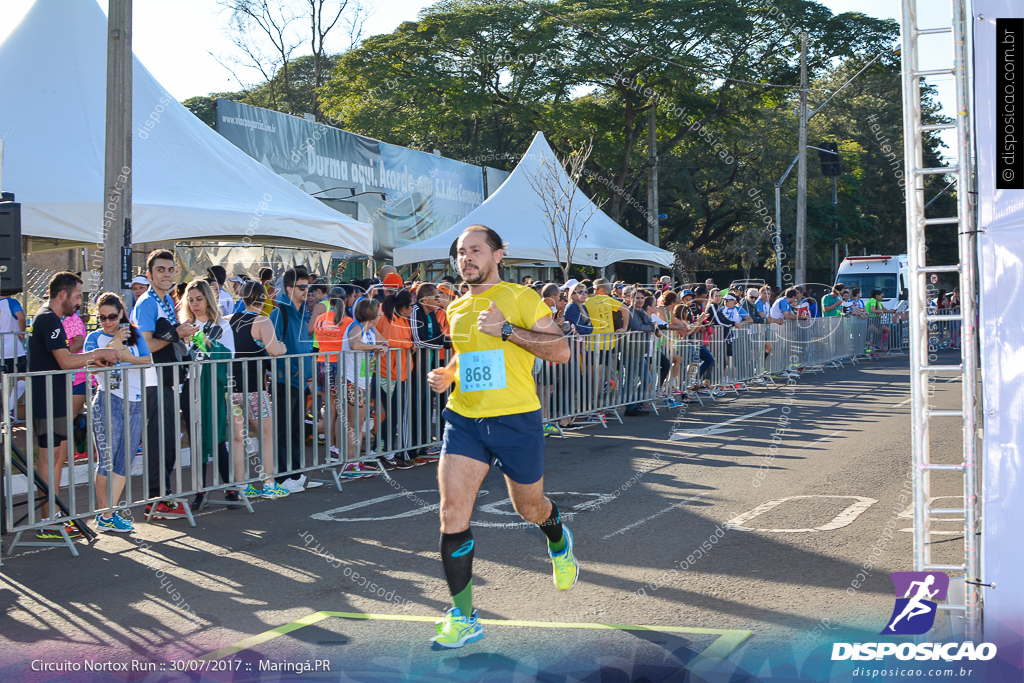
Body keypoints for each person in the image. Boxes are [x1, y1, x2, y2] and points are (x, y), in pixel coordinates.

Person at [424, 225, 573, 650]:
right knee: (453, 513)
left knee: (530, 508)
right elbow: (467, 353)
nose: (466, 258)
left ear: (498, 255)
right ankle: (465, 616)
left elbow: (560, 351)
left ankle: (558, 538)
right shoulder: (456, 308)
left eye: (475, 250)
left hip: (516, 420)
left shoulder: (521, 298)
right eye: (460, 253)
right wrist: (448, 374)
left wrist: (507, 331)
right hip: (465, 418)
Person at [29, 273, 120, 538]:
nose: (80, 302)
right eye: (78, 296)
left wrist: (93, 361)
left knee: (57, 456)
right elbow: (66, 361)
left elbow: (64, 361)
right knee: (48, 457)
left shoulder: (53, 319)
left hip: (57, 394)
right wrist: (99, 354)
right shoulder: (47, 318)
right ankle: (48, 521)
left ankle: (54, 516)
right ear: (63, 295)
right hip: (46, 397)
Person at [131, 250, 198, 519]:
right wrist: (177, 334)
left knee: (170, 440)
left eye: (170, 270)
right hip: (152, 380)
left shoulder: (167, 300)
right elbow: (145, 346)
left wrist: (182, 335)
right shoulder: (147, 302)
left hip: (169, 380)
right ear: (149, 274)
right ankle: (155, 499)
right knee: (160, 441)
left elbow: (170, 337)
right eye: (160, 270)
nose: (166, 274)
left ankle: (163, 496)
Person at [84, 292, 151, 532]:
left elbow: (147, 360)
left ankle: (107, 514)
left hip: (135, 401)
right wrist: (113, 347)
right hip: (106, 400)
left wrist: (125, 355)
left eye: (112, 316)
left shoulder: (134, 334)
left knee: (125, 461)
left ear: (121, 313)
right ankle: (105, 514)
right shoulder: (93, 338)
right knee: (106, 460)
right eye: (102, 318)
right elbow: (90, 367)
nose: (107, 322)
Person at [228, 281, 291, 499]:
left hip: (231, 387)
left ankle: (242, 486)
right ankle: (270, 484)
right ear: (263, 299)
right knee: (266, 434)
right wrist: (282, 347)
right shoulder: (262, 320)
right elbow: (275, 350)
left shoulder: (229, 320)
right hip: (253, 388)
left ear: (243, 299)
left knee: (238, 438)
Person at [181, 279, 238, 507]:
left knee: (217, 438)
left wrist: (208, 343)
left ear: (208, 299)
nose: (195, 304)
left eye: (199, 299)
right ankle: (199, 492)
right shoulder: (183, 325)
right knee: (195, 440)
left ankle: (230, 487)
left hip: (212, 388)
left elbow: (230, 356)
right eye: (190, 300)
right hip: (189, 387)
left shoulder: (221, 325)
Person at [269, 267, 315, 493]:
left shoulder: (302, 313)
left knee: (297, 429)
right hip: (283, 382)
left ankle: (296, 474)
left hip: (300, 382)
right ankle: (281, 477)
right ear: (289, 289)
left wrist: (306, 373)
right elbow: (270, 347)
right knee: (283, 430)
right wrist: (294, 370)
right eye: (302, 287)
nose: (307, 291)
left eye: (308, 286)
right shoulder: (279, 313)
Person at [341, 298, 388, 460]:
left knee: (359, 424)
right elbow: (355, 344)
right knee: (354, 424)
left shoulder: (371, 329)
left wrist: (383, 348)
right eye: (378, 312)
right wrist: (376, 347)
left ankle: (355, 461)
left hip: (363, 380)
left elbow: (384, 342)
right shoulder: (356, 326)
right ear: (372, 315)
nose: (381, 314)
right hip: (350, 380)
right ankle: (350, 462)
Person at [376, 289, 415, 469]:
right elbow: (389, 341)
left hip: (398, 374)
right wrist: (409, 344)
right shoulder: (388, 318)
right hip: (387, 374)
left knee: (394, 415)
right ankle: (381, 452)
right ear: (404, 307)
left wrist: (410, 344)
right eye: (411, 306)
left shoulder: (400, 318)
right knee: (391, 415)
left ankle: (387, 453)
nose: (412, 309)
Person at [410, 283, 448, 460]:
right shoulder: (415, 311)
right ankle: (414, 448)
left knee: (426, 405)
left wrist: (448, 341)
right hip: (413, 370)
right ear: (425, 299)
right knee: (415, 407)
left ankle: (425, 445)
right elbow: (419, 340)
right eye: (436, 297)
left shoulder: (432, 313)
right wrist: (441, 343)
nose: (439, 301)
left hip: (428, 367)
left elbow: (439, 336)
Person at [1, 293, 27, 422]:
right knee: (23, 379)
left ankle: (6, 411)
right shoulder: (11, 302)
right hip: (13, 350)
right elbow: (21, 317)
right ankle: (8, 409)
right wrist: (21, 333)